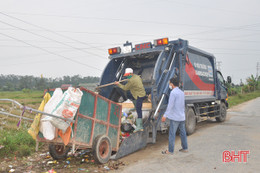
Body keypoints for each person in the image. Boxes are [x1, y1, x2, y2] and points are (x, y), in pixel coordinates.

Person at [161, 77, 188, 154]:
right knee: (183, 133)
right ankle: (185, 148)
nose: (169, 84)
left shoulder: (173, 93)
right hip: (182, 116)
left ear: (172, 84)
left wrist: (165, 115)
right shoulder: (181, 92)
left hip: (175, 117)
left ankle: (170, 150)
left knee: (172, 134)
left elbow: (170, 105)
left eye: (169, 83)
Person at [115, 68, 146, 132]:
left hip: (139, 96)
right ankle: (135, 107)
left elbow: (125, 88)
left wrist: (118, 84)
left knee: (138, 110)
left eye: (127, 75)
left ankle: (140, 126)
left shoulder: (131, 81)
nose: (126, 76)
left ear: (131, 74)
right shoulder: (137, 77)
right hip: (140, 93)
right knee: (133, 98)